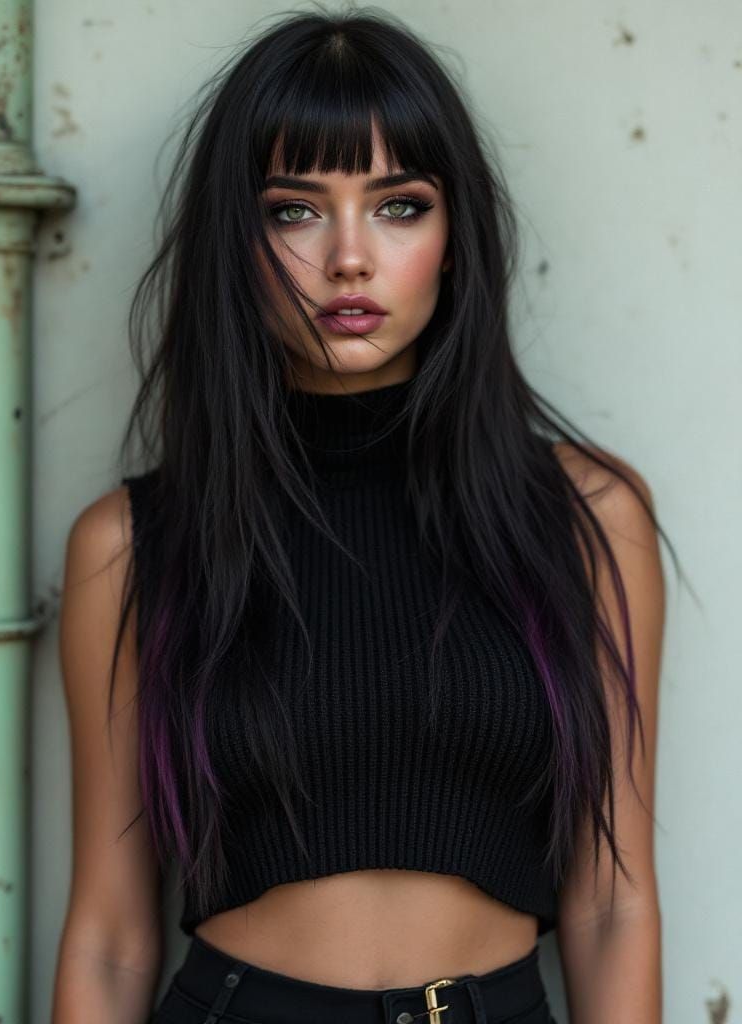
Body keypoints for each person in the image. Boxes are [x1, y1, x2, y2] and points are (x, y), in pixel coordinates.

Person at [52, 6, 672, 1022]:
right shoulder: (131, 549)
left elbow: (615, 899)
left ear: (454, 234)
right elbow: (111, 937)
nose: (349, 257)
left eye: (399, 205)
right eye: (294, 209)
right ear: (236, 241)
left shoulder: (589, 520)